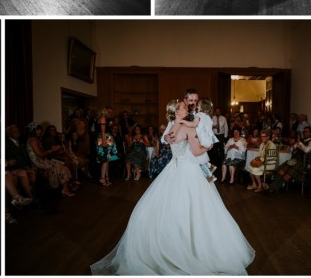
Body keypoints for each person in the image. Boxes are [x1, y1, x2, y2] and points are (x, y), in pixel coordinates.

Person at [90, 100, 254, 275]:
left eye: (184, 107)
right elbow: (197, 151)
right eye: (181, 108)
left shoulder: (175, 127)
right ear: (177, 111)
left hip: (179, 169)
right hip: (183, 169)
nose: (183, 109)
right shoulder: (184, 128)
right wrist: (209, 146)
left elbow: (173, 142)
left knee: (179, 208)